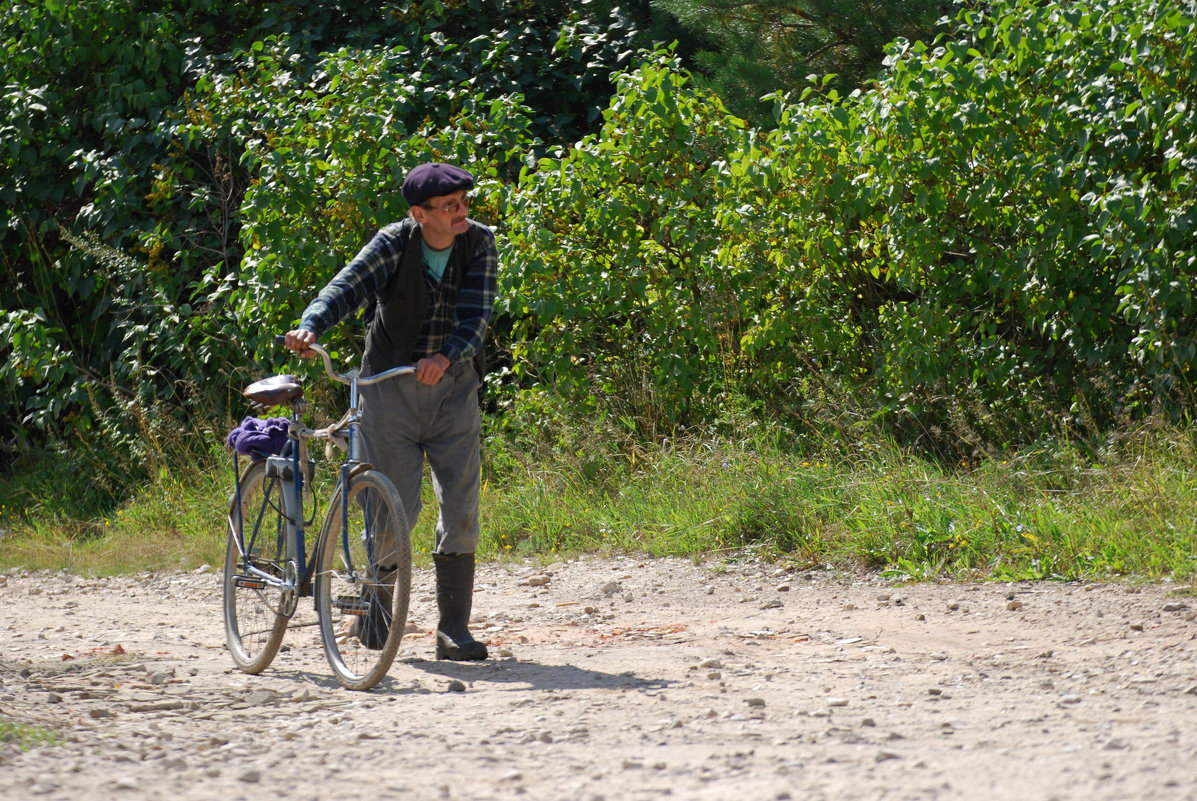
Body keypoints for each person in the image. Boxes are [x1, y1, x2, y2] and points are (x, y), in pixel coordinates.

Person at [284, 162, 497, 661]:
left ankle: (453, 630)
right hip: (388, 388)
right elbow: (347, 286)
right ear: (419, 214)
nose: (462, 212)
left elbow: (476, 314)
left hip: (453, 389)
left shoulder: (478, 242)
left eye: (465, 202)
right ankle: (377, 611)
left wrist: (445, 357)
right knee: (390, 509)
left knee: (462, 507)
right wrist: (312, 325)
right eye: (450, 207)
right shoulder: (393, 243)